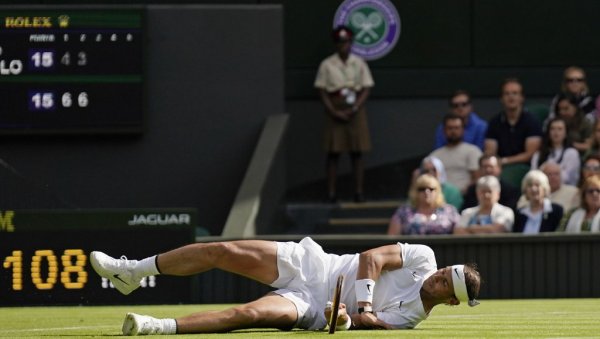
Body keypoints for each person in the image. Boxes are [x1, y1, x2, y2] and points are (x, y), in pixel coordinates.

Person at [90, 237, 482, 335]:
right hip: (312, 264)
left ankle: (155, 326)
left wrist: (344, 320)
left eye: (445, 282)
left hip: (309, 308)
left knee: (247, 315)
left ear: (449, 301)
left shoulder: (413, 317)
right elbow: (371, 259)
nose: (438, 275)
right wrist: (362, 308)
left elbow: (370, 326)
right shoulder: (423, 257)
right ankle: (133, 272)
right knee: (222, 250)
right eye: (445, 271)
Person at [314, 25, 374, 203]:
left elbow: (367, 87)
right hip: (335, 107)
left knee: (357, 152)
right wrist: (332, 111)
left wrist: (355, 107)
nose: (344, 46)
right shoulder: (327, 64)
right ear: (336, 44)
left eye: (347, 42)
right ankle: (331, 193)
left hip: (355, 108)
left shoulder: (359, 63)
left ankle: (358, 192)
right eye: (341, 42)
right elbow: (322, 90)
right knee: (333, 152)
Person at [484, 78, 543, 166]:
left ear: (522, 97)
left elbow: (530, 154)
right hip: (499, 168)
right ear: (501, 98)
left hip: (525, 167)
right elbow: (490, 152)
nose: (511, 97)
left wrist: (504, 161)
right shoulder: (494, 122)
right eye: (507, 94)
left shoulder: (532, 121)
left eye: (515, 93)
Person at [387, 174, 460, 235]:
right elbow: (392, 238)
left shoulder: (450, 211)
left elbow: (460, 234)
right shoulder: (403, 211)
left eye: (431, 189)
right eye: (422, 189)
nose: (426, 192)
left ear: (438, 191)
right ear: (415, 192)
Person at [430, 113, 482, 193]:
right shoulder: (435, 156)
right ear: (444, 131)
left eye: (457, 128)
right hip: (440, 197)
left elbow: (477, 178)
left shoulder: (473, 151)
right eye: (450, 128)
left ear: (463, 130)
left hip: (466, 197)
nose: (453, 131)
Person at [530, 117, 580, 186]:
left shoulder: (572, 153)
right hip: (543, 190)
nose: (556, 132)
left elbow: (567, 178)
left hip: (565, 190)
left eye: (560, 129)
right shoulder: (538, 154)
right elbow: (533, 176)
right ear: (548, 132)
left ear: (566, 133)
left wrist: (545, 170)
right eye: (552, 129)